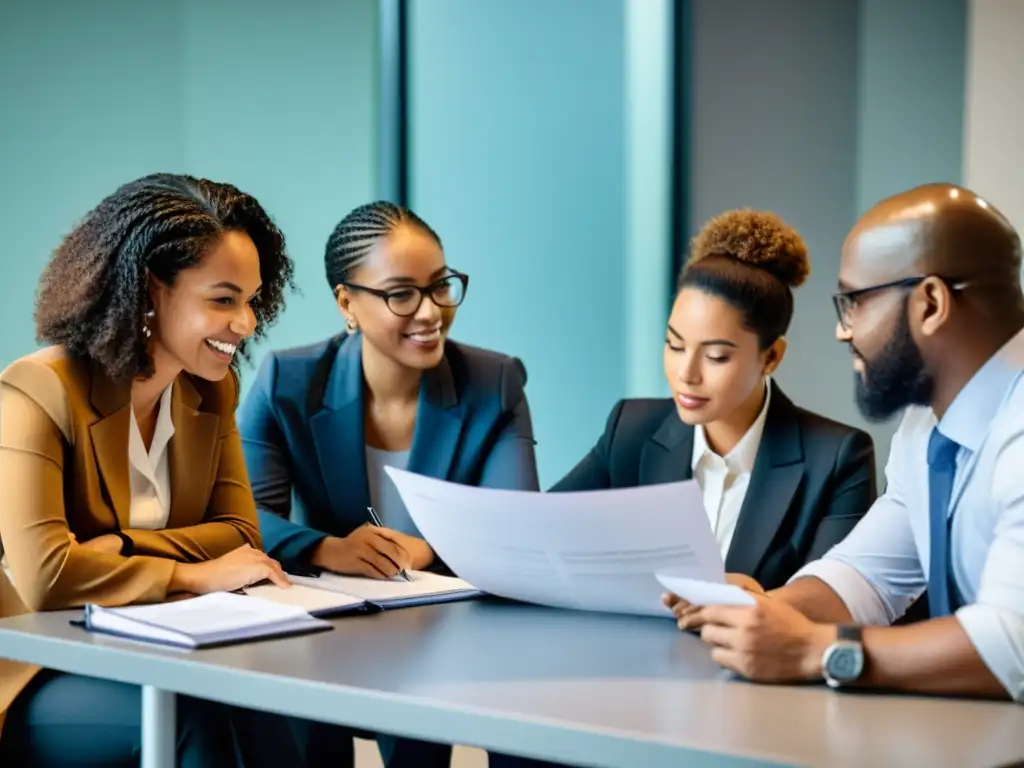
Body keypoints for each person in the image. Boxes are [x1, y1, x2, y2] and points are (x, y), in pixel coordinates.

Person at [668, 183, 1024, 701]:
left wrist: (818, 650)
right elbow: (864, 575)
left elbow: (1014, 641)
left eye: (853, 303)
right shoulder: (924, 427)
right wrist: (767, 610)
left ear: (930, 303)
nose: (842, 331)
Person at [0, 173, 306, 766]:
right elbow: (44, 577)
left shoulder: (212, 391)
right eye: (223, 300)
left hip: (162, 645)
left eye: (250, 299)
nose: (245, 324)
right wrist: (190, 575)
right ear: (147, 290)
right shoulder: (37, 390)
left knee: (272, 701)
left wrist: (115, 545)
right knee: (187, 711)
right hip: (36, 668)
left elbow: (241, 537)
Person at [237, 200, 540, 767]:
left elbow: (515, 524)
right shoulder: (287, 381)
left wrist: (422, 548)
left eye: (441, 286)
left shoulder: (493, 382)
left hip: (454, 629)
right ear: (346, 302)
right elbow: (241, 518)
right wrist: (330, 548)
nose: (430, 312)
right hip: (330, 625)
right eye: (401, 294)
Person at [552, 210, 876, 589]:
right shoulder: (631, 429)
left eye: (716, 356)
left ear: (771, 357)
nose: (686, 374)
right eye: (674, 345)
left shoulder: (837, 459)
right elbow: (541, 529)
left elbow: (833, 604)